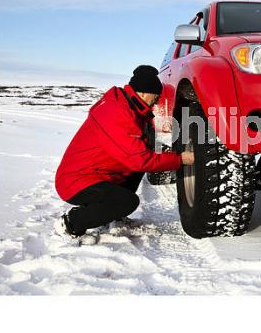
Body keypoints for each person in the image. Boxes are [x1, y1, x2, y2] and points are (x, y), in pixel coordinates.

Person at [54, 65, 193, 239]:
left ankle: (113, 216)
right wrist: (179, 159)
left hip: (99, 174)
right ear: (143, 92)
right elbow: (140, 159)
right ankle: (70, 223)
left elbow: (141, 152)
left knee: (135, 171)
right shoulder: (117, 113)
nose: (157, 101)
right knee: (128, 202)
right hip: (76, 181)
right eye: (156, 96)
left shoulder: (131, 109)